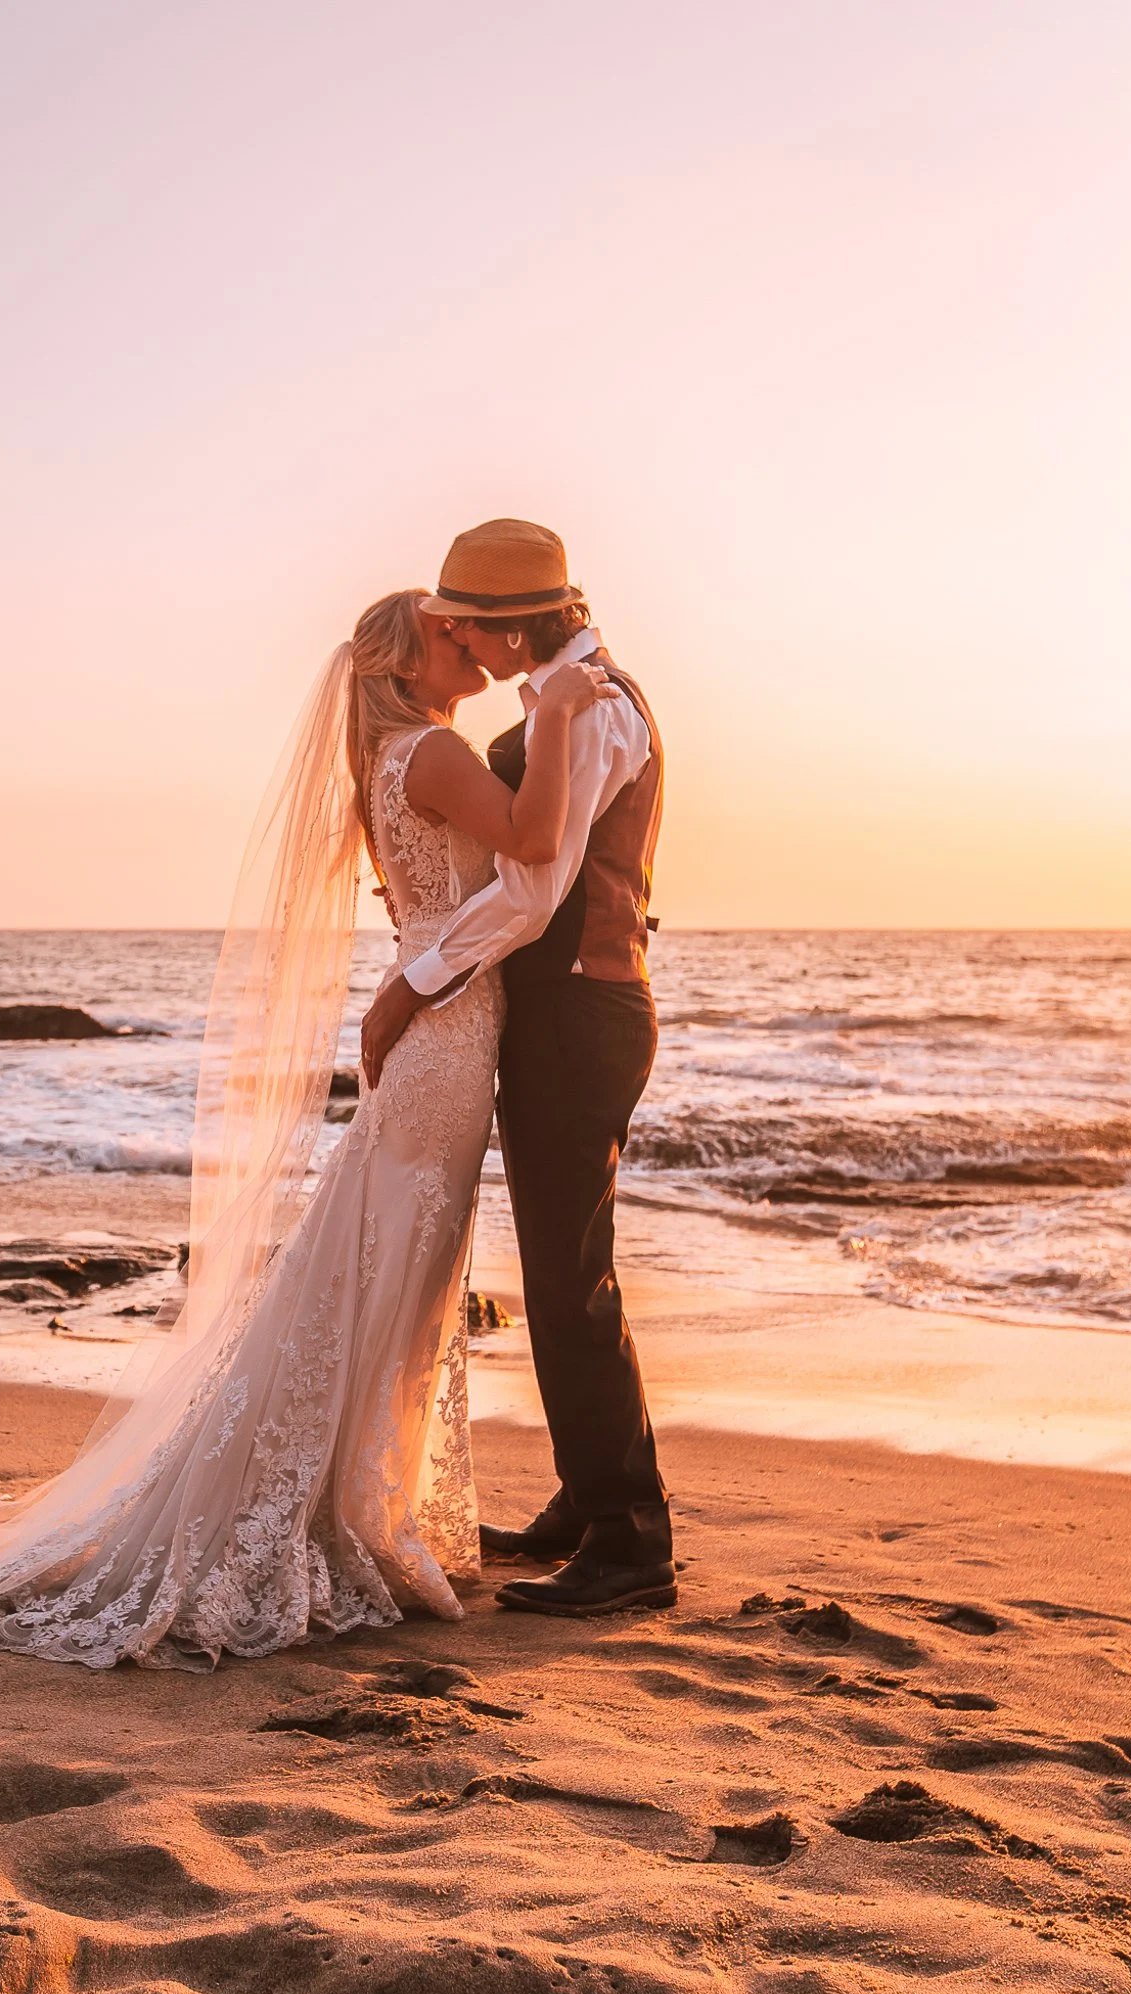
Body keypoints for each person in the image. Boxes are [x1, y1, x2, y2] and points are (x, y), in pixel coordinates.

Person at [0, 590, 613, 1669]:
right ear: (405, 659)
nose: (468, 640)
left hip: (442, 1020)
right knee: (398, 1264)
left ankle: (356, 1495)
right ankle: (344, 1507)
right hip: (448, 1033)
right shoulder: (434, 751)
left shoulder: (389, 758)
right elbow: (538, 836)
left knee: (388, 1261)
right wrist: (565, 709)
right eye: (449, 629)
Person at [360, 519, 672, 1618]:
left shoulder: (588, 706)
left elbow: (540, 889)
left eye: (471, 631)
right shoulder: (561, 702)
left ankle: (630, 1538)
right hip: (566, 1006)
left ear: (513, 624)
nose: (466, 652)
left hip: (581, 1009)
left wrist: (415, 979)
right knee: (557, 1266)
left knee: (568, 1272)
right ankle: (590, 1506)